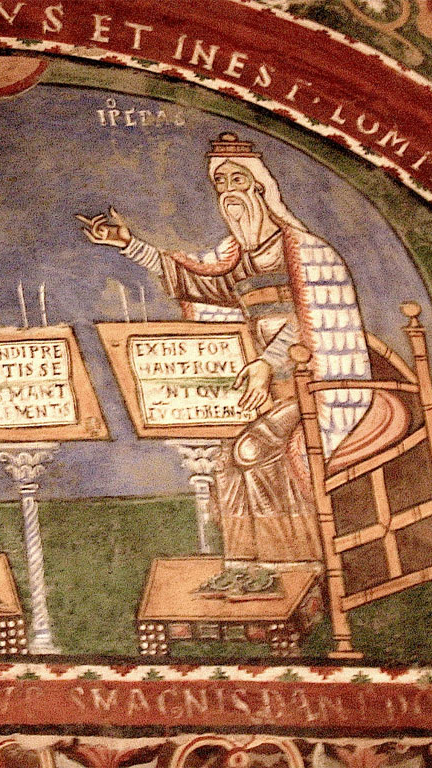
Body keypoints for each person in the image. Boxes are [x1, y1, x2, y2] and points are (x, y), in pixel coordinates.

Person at [78, 132, 372, 571]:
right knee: (225, 459)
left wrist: (267, 363)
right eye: (221, 183)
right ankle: (244, 566)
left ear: (260, 186)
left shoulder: (310, 253)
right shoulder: (235, 259)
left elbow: (310, 317)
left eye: (238, 180)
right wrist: (129, 244)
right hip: (266, 389)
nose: (229, 192)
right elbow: (193, 280)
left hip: (315, 386)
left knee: (254, 449)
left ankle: (296, 564)